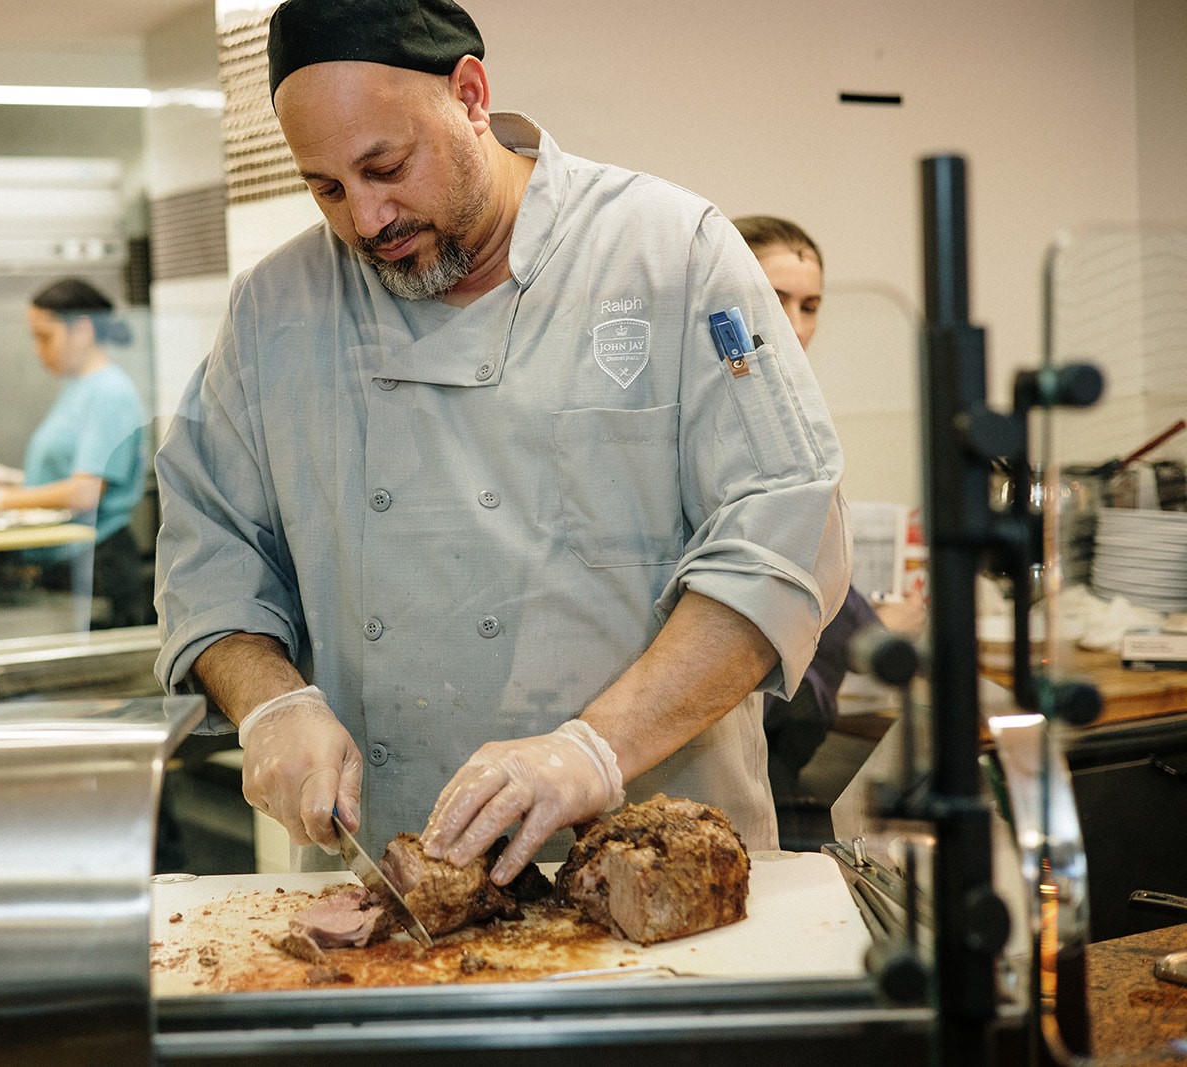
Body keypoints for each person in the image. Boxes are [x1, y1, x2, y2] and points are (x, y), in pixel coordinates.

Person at [152, 0, 851, 882]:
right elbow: (206, 552)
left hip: (653, 876)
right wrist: (269, 701)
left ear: (472, 94)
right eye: (326, 188)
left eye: (386, 166)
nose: (366, 220)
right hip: (389, 887)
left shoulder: (669, 253)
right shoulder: (274, 310)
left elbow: (785, 536)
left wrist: (594, 750)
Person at [732, 215, 925, 803]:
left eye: (810, 305)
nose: (795, 325)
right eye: (773, 299)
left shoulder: (787, 404)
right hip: (741, 712)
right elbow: (778, 561)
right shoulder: (730, 406)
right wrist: (873, 631)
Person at [0, 278, 152, 629]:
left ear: (81, 330)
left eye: (44, 336)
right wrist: (7, 477)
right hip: (67, 564)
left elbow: (86, 492)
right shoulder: (78, 388)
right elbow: (77, 472)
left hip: (96, 566)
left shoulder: (110, 393)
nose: (37, 349)